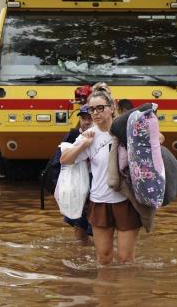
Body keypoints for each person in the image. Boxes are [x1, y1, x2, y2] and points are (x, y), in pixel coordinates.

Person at [60, 82, 142, 265]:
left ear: (112, 108)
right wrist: (83, 145)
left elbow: (158, 138)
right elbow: (64, 159)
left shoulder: (126, 130)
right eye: (92, 109)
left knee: (125, 259)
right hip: (99, 202)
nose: (96, 113)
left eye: (100, 108)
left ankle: (128, 293)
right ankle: (104, 293)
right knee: (103, 258)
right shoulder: (88, 135)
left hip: (125, 200)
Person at [50, 103, 93, 243]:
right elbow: (59, 163)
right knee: (79, 226)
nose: (87, 121)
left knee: (100, 228)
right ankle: (83, 253)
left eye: (90, 118)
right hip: (78, 190)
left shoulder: (106, 136)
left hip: (97, 188)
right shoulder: (73, 135)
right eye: (84, 118)